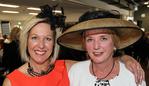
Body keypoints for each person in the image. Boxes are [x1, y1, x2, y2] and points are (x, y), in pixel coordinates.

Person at [2, 9, 144, 86]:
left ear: (53, 43)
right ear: (26, 42)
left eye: (48, 39)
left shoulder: (67, 67)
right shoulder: (12, 82)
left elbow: (100, 62)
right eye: (34, 38)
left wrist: (125, 58)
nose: (41, 45)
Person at [57, 10, 146, 86]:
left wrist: (124, 58)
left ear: (115, 43)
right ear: (84, 45)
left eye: (103, 38)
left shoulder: (132, 74)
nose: (96, 46)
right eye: (90, 39)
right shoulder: (76, 71)